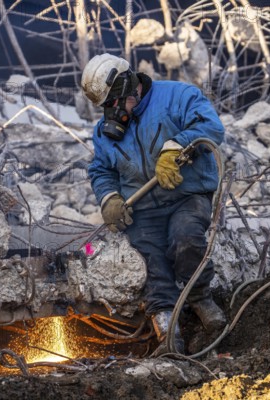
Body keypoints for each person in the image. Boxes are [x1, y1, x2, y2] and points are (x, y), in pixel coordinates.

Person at [81, 53, 227, 353]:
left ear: (128, 86)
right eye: (105, 107)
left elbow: (212, 128)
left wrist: (175, 147)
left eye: (113, 104)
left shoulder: (179, 96)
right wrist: (109, 198)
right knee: (149, 260)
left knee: (185, 238)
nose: (111, 113)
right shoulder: (105, 133)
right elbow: (100, 170)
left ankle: (200, 299)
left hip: (188, 195)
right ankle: (167, 331)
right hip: (144, 208)